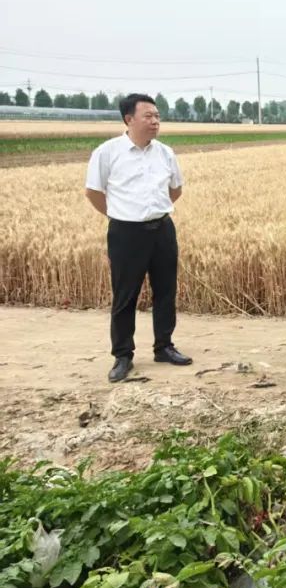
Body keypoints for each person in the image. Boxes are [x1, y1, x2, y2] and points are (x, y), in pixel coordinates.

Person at [85, 93, 192, 382]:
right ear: (129, 119)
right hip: (125, 233)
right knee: (125, 295)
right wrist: (119, 215)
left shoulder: (165, 152)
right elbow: (93, 192)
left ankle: (164, 347)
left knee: (166, 291)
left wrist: (154, 211)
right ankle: (123, 355)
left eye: (157, 116)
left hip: (162, 229)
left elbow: (176, 189)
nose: (155, 121)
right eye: (148, 116)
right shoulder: (107, 152)